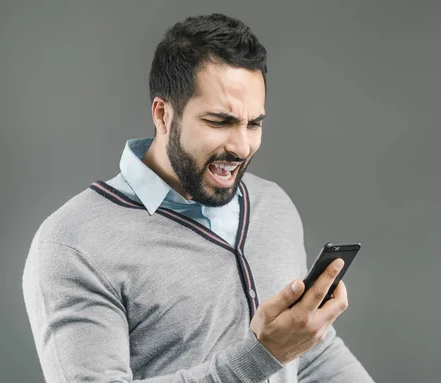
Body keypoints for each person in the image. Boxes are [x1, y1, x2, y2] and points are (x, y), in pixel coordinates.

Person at [22, 13, 375, 383]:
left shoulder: (274, 205)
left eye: (254, 123)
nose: (241, 146)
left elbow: (309, 355)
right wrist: (260, 357)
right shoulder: (74, 244)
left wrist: (295, 340)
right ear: (163, 115)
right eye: (219, 122)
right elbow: (272, 354)